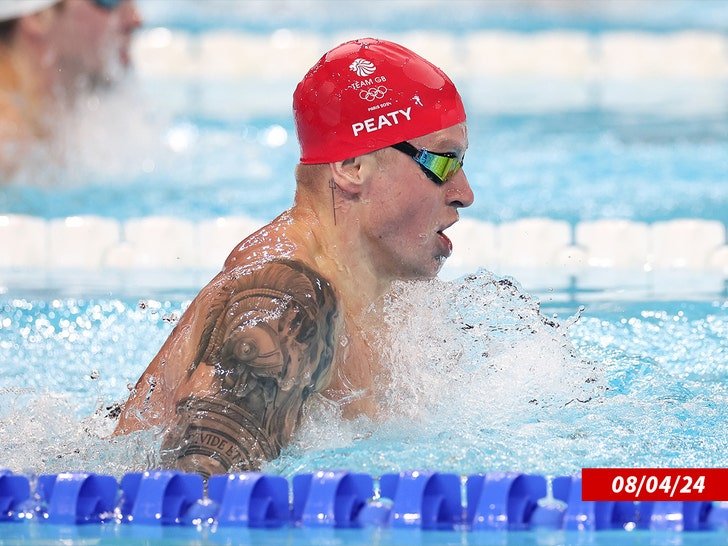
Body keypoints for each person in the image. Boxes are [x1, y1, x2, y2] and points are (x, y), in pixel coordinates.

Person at [115, 37, 475, 477]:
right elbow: (194, 499)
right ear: (353, 167)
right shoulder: (288, 305)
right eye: (442, 163)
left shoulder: (386, 293)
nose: (464, 193)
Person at [0, 0, 141, 176]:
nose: (136, 19)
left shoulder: (44, 124)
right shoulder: (7, 146)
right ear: (39, 17)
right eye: (109, 1)